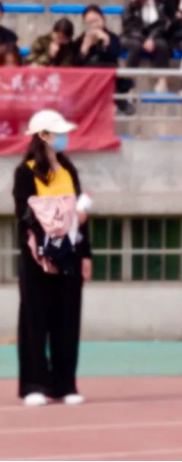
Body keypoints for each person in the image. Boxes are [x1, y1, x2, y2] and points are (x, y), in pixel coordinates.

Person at [13, 110, 93, 408]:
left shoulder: (69, 170)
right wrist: (64, 218)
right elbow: (26, 215)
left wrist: (86, 255)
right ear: (43, 136)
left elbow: (83, 219)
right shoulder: (25, 172)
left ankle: (64, 384)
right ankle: (33, 384)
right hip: (38, 258)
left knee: (67, 321)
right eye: (58, 133)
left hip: (70, 257)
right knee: (34, 322)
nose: (63, 138)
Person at [74, 5, 135, 115]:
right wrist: (84, 49)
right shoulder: (81, 40)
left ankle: (121, 103)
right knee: (92, 69)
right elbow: (76, 65)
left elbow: (113, 58)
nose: (94, 25)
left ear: (103, 19)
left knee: (103, 71)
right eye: (89, 23)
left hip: (109, 78)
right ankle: (123, 104)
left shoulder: (113, 38)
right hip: (88, 82)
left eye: (96, 21)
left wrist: (106, 43)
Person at [121, 0, 174, 93]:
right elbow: (129, 27)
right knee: (136, 46)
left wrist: (151, 38)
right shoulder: (130, 6)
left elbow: (162, 25)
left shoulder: (159, 4)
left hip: (152, 36)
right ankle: (130, 83)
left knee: (162, 45)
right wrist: (144, 40)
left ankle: (162, 81)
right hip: (132, 36)